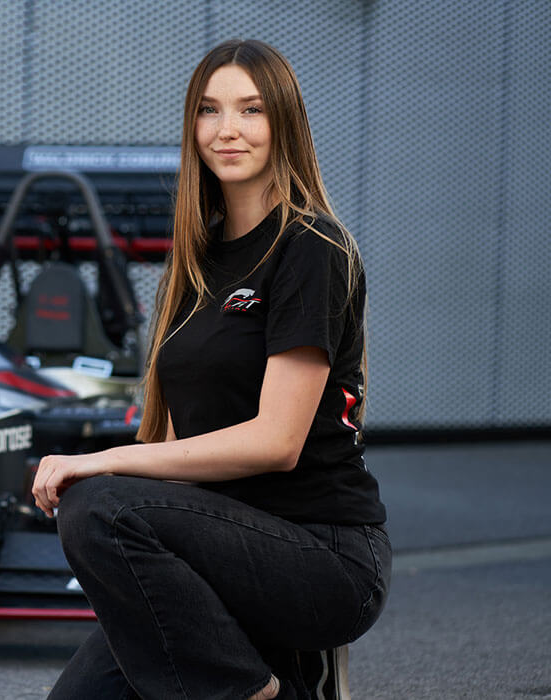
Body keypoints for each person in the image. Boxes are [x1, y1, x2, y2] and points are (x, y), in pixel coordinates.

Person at [31, 39, 390, 700]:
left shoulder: (311, 246)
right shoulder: (196, 264)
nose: (227, 130)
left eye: (250, 110)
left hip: (321, 555)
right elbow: (171, 442)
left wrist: (102, 463)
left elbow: (275, 444)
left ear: (284, 123)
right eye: (209, 110)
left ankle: (254, 690)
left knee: (95, 506)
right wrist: (120, 470)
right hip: (216, 549)